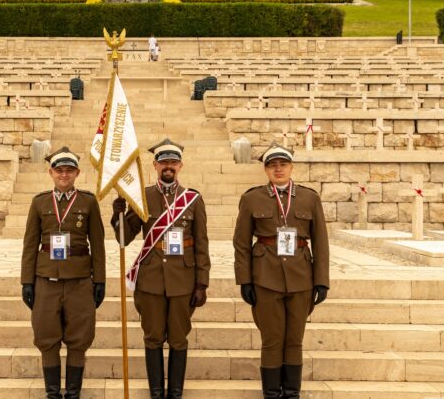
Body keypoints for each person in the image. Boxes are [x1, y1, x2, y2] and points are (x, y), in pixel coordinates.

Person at [112, 138, 210, 399]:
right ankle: (157, 392)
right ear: (154, 165)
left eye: (173, 162)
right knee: (153, 336)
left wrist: (202, 284)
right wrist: (118, 215)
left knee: (179, 338)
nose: (169, 166)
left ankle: (175, 392)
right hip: (151, 279)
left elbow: (201, 243)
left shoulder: (193, 199)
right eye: (164, 162)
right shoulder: (143, 197)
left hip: (183, 280)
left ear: (181, 166)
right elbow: (125, 238)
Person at [233, 142, 330, 399]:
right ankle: (272, 393)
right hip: (265, 277)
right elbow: (241, 243)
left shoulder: (310, 197)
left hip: (301, 277)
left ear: (292, 167)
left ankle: (292, 393)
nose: (278, 169)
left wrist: (321, 280)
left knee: (295, 339)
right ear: (265, 170)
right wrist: (245, 280)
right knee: (272, 338)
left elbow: (321, 241)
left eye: (283, 164)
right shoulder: (252, 198)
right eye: (272, 165)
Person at [21, 147, 106, 399]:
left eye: (69, 170)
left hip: (79, 280)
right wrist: (27, 281)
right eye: (59, 170)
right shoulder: (39, 202)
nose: (64, 175)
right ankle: (52, 392)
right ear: (51, 173)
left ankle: (73, 392)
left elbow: (98, 244)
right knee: (46, 334)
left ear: (77, 173)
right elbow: (30, 244)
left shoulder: (88, 201)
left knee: (79, 336)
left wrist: (99, 279)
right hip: (46, 280)